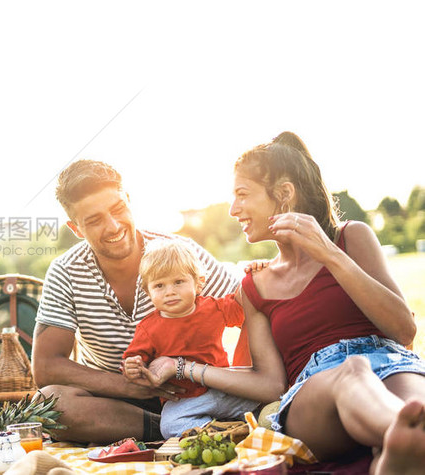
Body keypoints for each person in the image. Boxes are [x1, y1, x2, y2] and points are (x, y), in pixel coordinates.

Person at [131, 131, 425, 472]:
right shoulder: (256, 285)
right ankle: (400, 437)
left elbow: (403, 330)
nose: (233, 209)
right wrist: (184, 367)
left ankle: (398, 455)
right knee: (355, 372)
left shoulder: (351, 238)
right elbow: (269, 384)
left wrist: (329, 253)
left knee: (416, 410)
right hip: (314, 393)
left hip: (390, 362)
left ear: (284, 195)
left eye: (243, 195)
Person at [32, 159, 244, 444]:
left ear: (129, 201)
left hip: (200, 393)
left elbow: (250, 310)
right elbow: (46, 366)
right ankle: (175, 429)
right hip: (115, 404)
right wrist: (132, 387)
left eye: (118, 209)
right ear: (76, 228)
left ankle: (191, 423)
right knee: (49, 403)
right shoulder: (65, 271)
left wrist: (244, 378)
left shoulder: (178, 253)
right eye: (94, 220)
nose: (113, 226)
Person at [122, 240, 259, 438]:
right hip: (185, 400)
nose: (170, 291)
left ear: (198, 283)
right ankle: (221, 431)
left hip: (223, 388)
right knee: (169, 425)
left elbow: (243, 305)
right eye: (159, 285)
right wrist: (133, 367)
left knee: (263, 402)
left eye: (178, 282)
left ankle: (236, 426)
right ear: (147, 291)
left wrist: (253, 275)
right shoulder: (148, 328)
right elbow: (134, 361)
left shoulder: (213, 308)